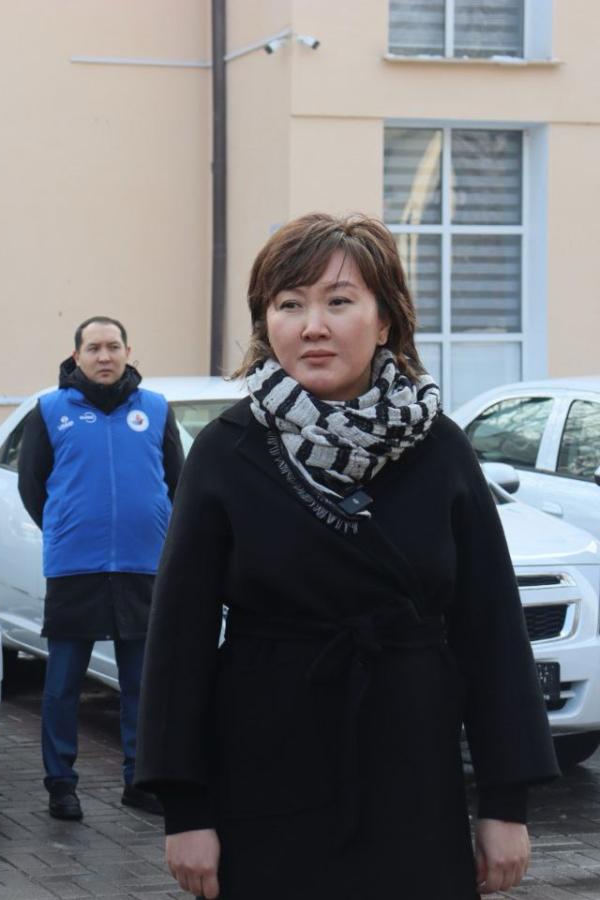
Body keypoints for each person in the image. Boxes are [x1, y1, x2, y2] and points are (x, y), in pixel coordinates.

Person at [135, 213, 559, 899]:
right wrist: (185, 810)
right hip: (266, 770)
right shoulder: (226, 450)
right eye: (289, 304)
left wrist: (506, 802)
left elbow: (492, 632)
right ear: (265, 322)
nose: (313, 326)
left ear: (385, 320)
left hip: (412, 769)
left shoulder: (441, 448)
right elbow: (178, 640)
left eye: (338, 301)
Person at [18, 316, 182, 821]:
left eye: (113, 347)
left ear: (128, 351)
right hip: (75, 568)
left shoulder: (155, 409)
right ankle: (61, 785)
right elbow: (32, 487)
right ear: (77, 356)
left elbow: (177, 482)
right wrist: (68, 525)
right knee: (63, 684)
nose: (104, 356)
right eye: (94, 348)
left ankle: (140, 781)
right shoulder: (50, 410)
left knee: (140, 685)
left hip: (142, 565)